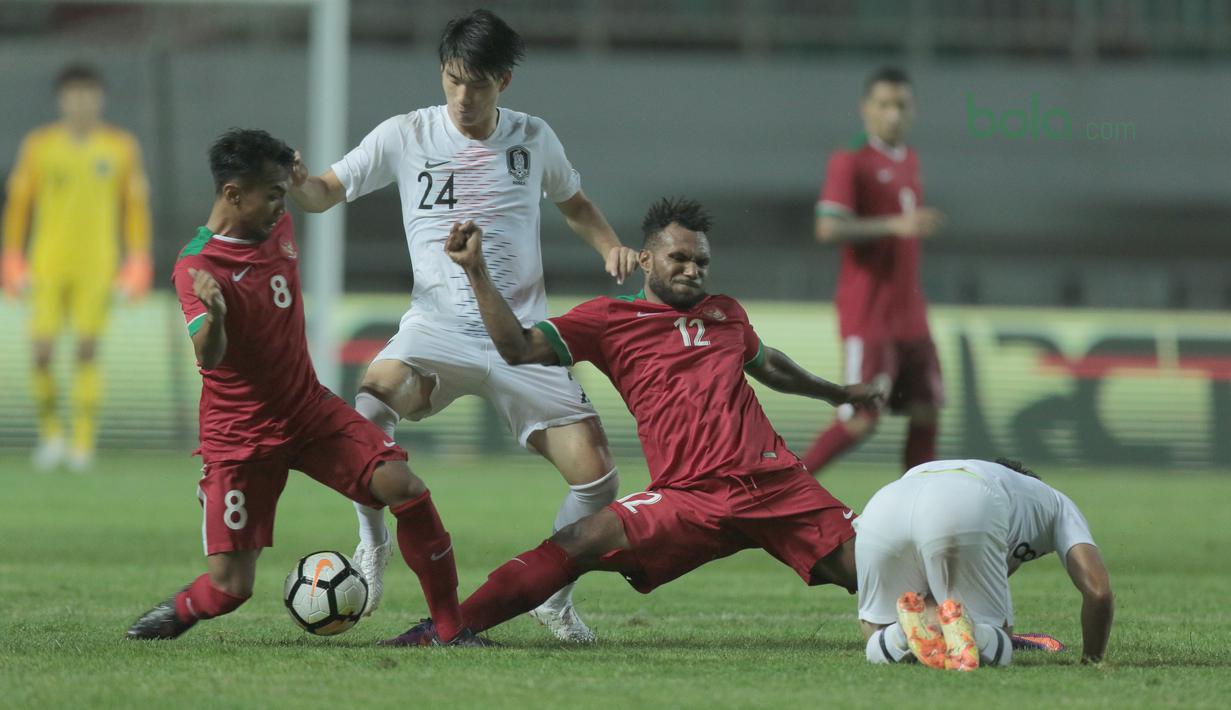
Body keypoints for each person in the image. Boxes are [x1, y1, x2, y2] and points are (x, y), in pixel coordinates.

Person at [379, 197, 885, 646]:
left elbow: (767, 362)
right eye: (679, 258)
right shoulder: (608, 320)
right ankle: (446, 630)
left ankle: (950, 625)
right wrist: (477, 271)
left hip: (777, 486)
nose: (693, 270)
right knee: (578, 540)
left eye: (701, 261)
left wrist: (837, 393)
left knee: (881, 567)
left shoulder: (726, 313)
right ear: (646, 259)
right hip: (690, 496)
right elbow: (515, 347)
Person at [290, 9, 636, 642]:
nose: (463, 97)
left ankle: (552, 595)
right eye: (452, 80)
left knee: (600, 480)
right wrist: (295, 182)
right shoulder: (405, 134)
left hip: (522, 337)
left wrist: (609, 245)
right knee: (367, 409)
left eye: (477, 84)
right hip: (436, 331)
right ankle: (371, 546)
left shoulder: (533, 138)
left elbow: (577, 205)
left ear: (503, 81)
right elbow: (322, 194)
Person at [125, 129, 480, 646]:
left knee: (405, 487)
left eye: (281, 193)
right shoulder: (197, 265)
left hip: (307, 411)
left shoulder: (279, 220)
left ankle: (451, 629)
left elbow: (314, 196)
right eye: (270, 194)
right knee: (230, 589)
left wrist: (301, 175)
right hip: (241, 436)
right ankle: (178, 610)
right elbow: (210, 354)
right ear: (232, 194)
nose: (279, 205)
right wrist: (218, 316)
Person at [1, 63, 153, 471]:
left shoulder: (121, 147)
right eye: (73, 94)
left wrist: (137, 259)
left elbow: (134, 208)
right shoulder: (39, 146)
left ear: (99, 98)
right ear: (61, 99)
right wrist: (12, 256)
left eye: (88, 94)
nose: (81, 102)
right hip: (47, 262)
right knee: (41, 352)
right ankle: (51, 436)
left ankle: (83, 443)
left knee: (87, 350)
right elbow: (19, 205)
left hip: (97, 264)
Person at [802, 66, 946, 477]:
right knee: (861, 418)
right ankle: (784, 489)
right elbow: (827, 228)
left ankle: (918, 513)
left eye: (901, 105)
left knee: (926, 410)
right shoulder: (851, 160)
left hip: (911, 316)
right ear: (866, 109)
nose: (893, 114)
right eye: (884, 105)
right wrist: (892, 225)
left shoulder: (910, 160)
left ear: (913, 109)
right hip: (869, 316)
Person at [856, 458, 1114, 670]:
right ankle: (978, 635)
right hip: (970, 501)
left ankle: (900, 635)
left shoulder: (960, 470)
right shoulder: (1056, 502)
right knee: (997, 643)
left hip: (886, 502)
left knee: (875, 635)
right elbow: (1099, 592)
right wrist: (1092, 660)